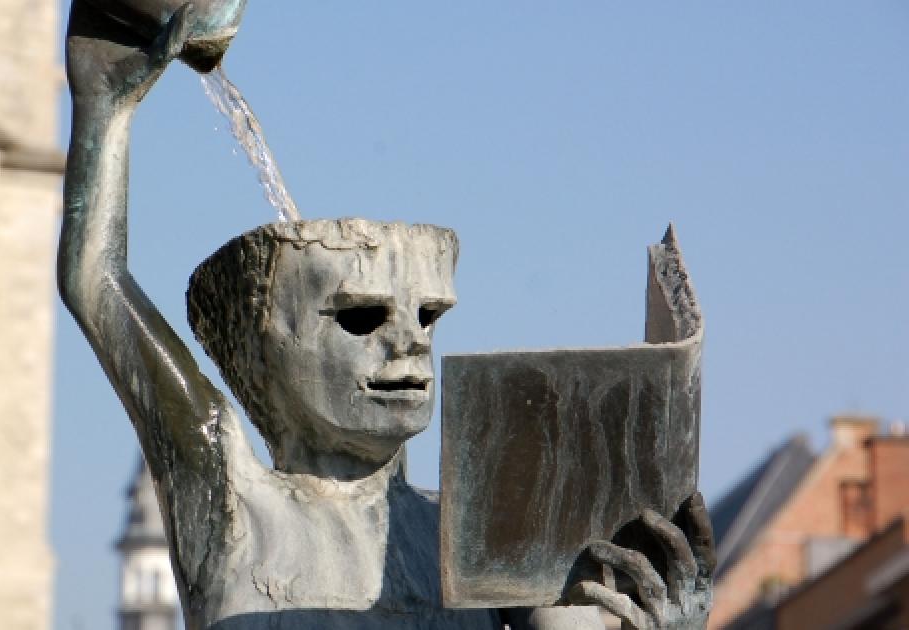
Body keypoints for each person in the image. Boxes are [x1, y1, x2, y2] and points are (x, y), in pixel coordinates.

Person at [59, 3, 715, 628]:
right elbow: (96, 282)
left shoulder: (486, 533)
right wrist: (105, 107)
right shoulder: (233, 503)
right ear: (265, 354)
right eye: (361, 318)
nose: (409, 344)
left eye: (428, 317)